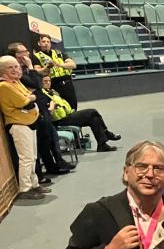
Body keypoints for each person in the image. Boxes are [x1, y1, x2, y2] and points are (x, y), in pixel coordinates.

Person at [11, 43, 75, 178]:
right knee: (42, 142)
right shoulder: (19, 72)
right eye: (23, 52)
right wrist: (29, 67)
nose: (27, 54)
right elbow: (35, 84)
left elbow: (40, 78)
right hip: (33, 111)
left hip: (41, 106)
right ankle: (43, 172)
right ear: (16, 56)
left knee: (51, 137)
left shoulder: (25, 70)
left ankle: (56, 164)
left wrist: (47, 67)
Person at [0, 55, 44, 199]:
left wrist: (30, 97)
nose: (15, 69)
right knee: (26, 159)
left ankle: (34, 184)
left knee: (33, 157)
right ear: (2, 71)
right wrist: (29, 98)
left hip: (29, 122)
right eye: (10, 67)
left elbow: (30, 95)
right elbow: (24, 101)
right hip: (19, 125)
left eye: (16, 66)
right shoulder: (4, 86)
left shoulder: (16, 82)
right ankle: (25, 189)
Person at [43, 75, 120, 152]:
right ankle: (107, 133)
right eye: (45, 81)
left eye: (49, 81)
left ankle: (102, 145)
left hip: (67, 115)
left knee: (94, 119)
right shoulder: (42, 95)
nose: (48, 83)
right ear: (40, 82)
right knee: (92, 111)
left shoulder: (52, 91)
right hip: (59, 121)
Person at [32, 34, 77, 110]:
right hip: (53, 84)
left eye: (48, 42)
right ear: (39, 43)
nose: (46, 43)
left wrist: (59, 64)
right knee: (60, 108)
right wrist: (48, 67)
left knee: (73, 106)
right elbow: (38, 71)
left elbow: (73, 65)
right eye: (43, 41)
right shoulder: (36, 56)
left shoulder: (58, 53)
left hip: (67, 83)